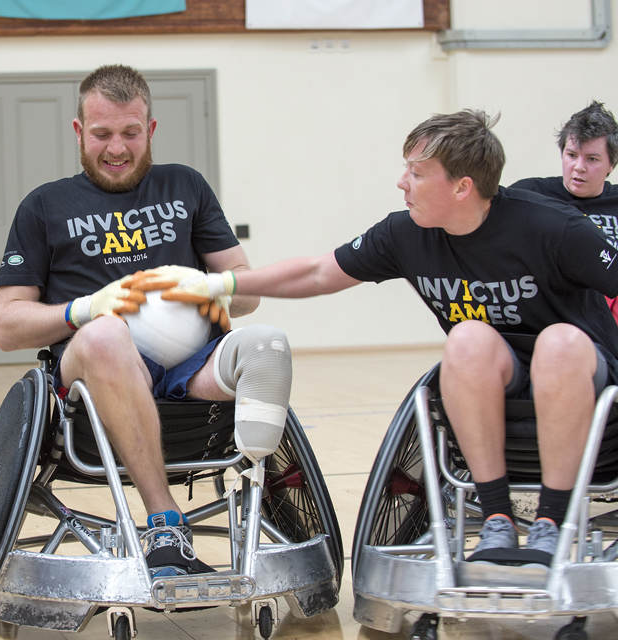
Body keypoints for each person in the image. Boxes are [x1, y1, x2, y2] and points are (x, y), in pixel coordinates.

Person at [153, 109, 618, 560]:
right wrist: (218, 284)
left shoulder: (553, 227)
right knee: (467, 339)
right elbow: (317, 273)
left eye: (416, 172)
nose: (402, 182)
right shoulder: (406, 234)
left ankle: (553, 522)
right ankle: (497, 517)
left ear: (462, 187)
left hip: (580, 375)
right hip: (497, 375)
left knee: (559, 341)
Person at [0, 65, 294, 578]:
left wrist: (211, 288)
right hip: (95, 375)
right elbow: (6, 326)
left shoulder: (186, 186)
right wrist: (88, 309)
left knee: (266, 344)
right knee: (108, 334)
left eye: (130, 133)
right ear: (78, 131)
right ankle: (164, 517)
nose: (117, 148)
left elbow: (249, 292)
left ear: (150, 129)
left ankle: (258, 495)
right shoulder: (43, 206)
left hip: (190, 366)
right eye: (102, 134)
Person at [511, 101, 618, 321]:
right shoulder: (529, 195)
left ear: (611, 164)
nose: (579, 166)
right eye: (571, 155)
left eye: (592, 159)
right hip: (553, 306)